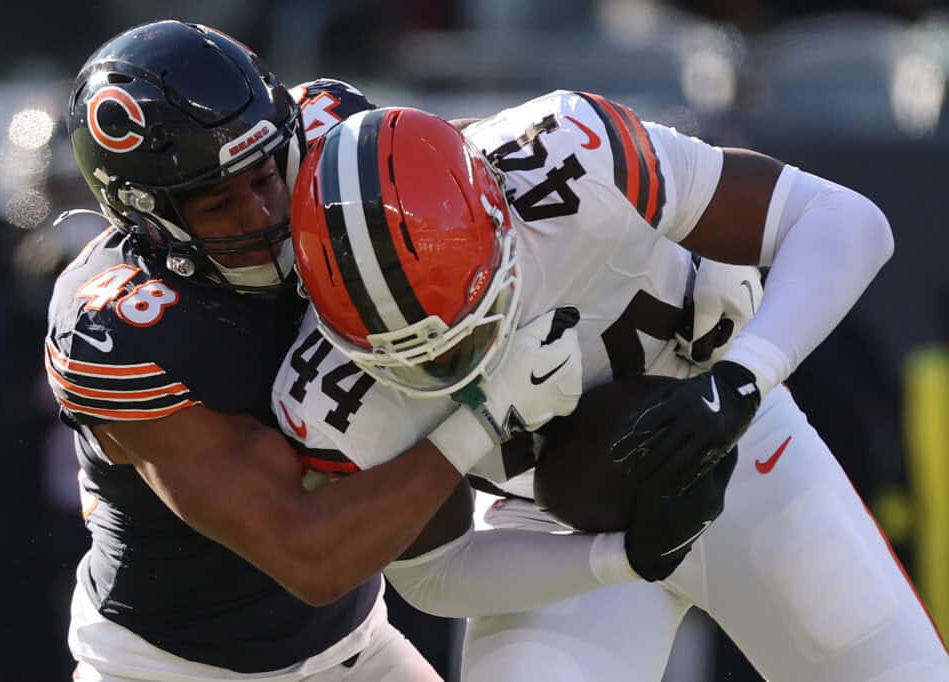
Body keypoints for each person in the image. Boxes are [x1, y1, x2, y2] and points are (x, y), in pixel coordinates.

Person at [275, 99, 949, 681]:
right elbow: (434, 572)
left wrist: (740, 380)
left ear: (500, 218)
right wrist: (613, 558)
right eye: (413, 360)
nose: (450, 364)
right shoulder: (327, 394)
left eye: (466, 333)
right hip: (542, 528)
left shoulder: (572, 157)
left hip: (738, 445)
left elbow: (844, 218)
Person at [45, 21, 586, 681]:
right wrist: (486, 409)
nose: (261, 212)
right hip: (177, 669)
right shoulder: (121, 329)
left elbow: (492, 175)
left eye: (265, 174)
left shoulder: (334, 138)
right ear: (146, 216)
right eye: (219, 204)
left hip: (356, 645)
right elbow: (310, 558)